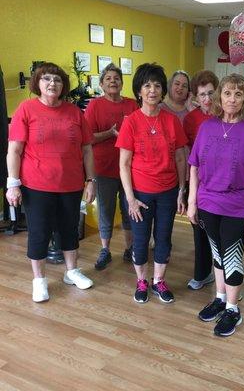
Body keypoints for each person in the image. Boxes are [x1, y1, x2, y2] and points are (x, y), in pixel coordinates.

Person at [6, 62, 95, 302]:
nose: (52, 83)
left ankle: (71, 272)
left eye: (56, 80)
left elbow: (87, 149)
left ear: (63, 85)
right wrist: (12, 183)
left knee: (69, 229)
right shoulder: (26, 109)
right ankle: (39, 280)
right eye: (46, 79)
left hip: (71, 183)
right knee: (39, 232)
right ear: (38, 83)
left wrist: (91, 179)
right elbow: (14, 150)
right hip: (36, 185)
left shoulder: (74, 112)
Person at [187, 73, 244, 337]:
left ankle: (233, 308)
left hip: (237, 205)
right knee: (217, 255)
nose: (232, 99)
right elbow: (194, 166)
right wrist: (191, 202)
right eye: (227, 93)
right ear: (219, 97)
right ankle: (221, 298)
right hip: (208, 203)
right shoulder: (208, 127)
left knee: (232, 258)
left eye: (238, 94)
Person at [116, 63, 187, 304]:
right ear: (139, 91)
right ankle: (142, 281)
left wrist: (181, 189)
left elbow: (180, 156)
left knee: (164, 239)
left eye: (157, 85)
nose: (152, 90)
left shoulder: (172, 121)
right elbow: (124, 164)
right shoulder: (131, 122)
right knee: (140, 239)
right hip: (140, 194)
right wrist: (130, 199)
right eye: (147, 85)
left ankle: (158, 281)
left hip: (167, 191)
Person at [84, 63, 138, 270]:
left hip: (130, 170)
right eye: (108, 79)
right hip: (103, 169)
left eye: (116, 78)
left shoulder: (132, 105)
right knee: (106, 210)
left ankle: (130, 248)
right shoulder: (95, 106)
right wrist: (110, 133)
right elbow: (88, 138)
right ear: (102, 84)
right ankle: (105, 250)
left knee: (129, 210)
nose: (113, 81)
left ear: (122, 82)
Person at [183, 70, 219, 290]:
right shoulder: (191, 119)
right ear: (196, 97)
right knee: (199, 230)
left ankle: (226, 281)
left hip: (222, 185)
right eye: (202, 95)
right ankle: (202, 273)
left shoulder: (226, 114)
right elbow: (188, 154)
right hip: (199, 183)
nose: (207, 99)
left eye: (211, 93)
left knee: (220, 235)